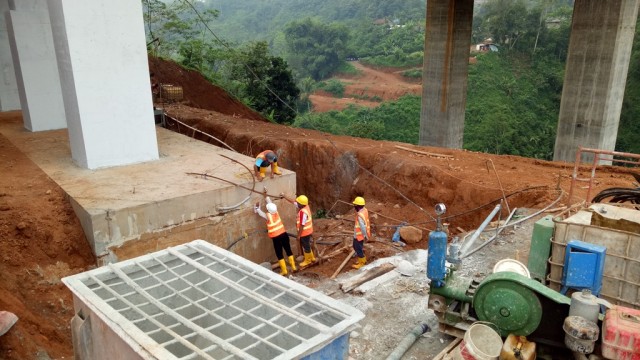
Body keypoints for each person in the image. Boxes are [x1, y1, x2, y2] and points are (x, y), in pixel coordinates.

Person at [254, 197, 297, 276]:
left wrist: (257, 208)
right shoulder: (276, 212)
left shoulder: (268, 216)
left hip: (276, 238)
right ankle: (293, 266)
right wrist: (266, 196)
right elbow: (270, 204)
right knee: (288, 250)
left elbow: (260, 213)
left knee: (279, 253)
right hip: (284, 234)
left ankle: (284, 271)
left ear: (268, 209)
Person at [282, 193, 315, 267]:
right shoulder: (306, 206)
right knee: (307, 245)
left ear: (301, 204)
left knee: (305, 246)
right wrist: (285, 196)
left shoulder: (303, 213)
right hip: (308, 230)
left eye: (298, 202)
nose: (296, 203)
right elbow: (293, 202)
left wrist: (299, 236)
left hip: (304, 232)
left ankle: (308, 261)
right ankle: (312, 258)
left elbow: (302, 225)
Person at [352, 196, 370, 269]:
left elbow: (362, 227)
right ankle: (362, 260)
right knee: (359, 247)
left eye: (355, 205)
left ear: (357, 206)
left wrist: (365, 235)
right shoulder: (364, 210)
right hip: (362, 235)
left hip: (359, 235)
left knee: (357, 247)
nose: (354, 207)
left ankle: (362, 263)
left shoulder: (359, 215)